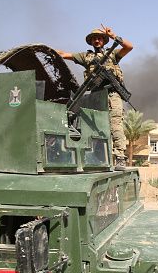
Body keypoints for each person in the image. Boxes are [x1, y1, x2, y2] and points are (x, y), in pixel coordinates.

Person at [57, 24, 133, 170]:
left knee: (116, 123)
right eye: (94, 39)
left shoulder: (112, 54)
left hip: (112, 94)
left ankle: (120, 157)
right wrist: (50, 51)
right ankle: (97, 157)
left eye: (99, 38)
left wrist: (113, 35)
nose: (97, 41)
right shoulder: (86, 56)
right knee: (93, 126)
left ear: (104, 41)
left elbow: (129, 47)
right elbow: (63, 54)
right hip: (96, 95)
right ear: (91, 42)